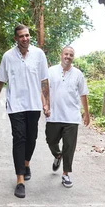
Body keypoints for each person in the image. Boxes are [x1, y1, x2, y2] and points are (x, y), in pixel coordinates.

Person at [0, 24, 50, 198]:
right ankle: (20, 180)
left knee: (32, 138)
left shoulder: (39, 54)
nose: (25, 39)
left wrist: (47, 103)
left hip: (33, 105)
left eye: (27, 35)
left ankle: (26, 163)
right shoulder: (8, 56)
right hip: (15, 105)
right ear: (16, 39)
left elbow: (44, 81)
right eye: (21, 36)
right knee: (19, 138)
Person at [45, 46, 90, 188]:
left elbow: (83, 94)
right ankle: (57, 155)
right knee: (51, 140)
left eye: (71, 55)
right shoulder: (51, 71)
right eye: (66, 54)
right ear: (61, 55)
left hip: (72, 117)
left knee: (69, 146)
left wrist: (87, 114)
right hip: (54, 115)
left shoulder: (78, 74)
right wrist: (45, 105)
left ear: (73, 57)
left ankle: (65, 174)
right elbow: (44, 89)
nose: (68, 56)